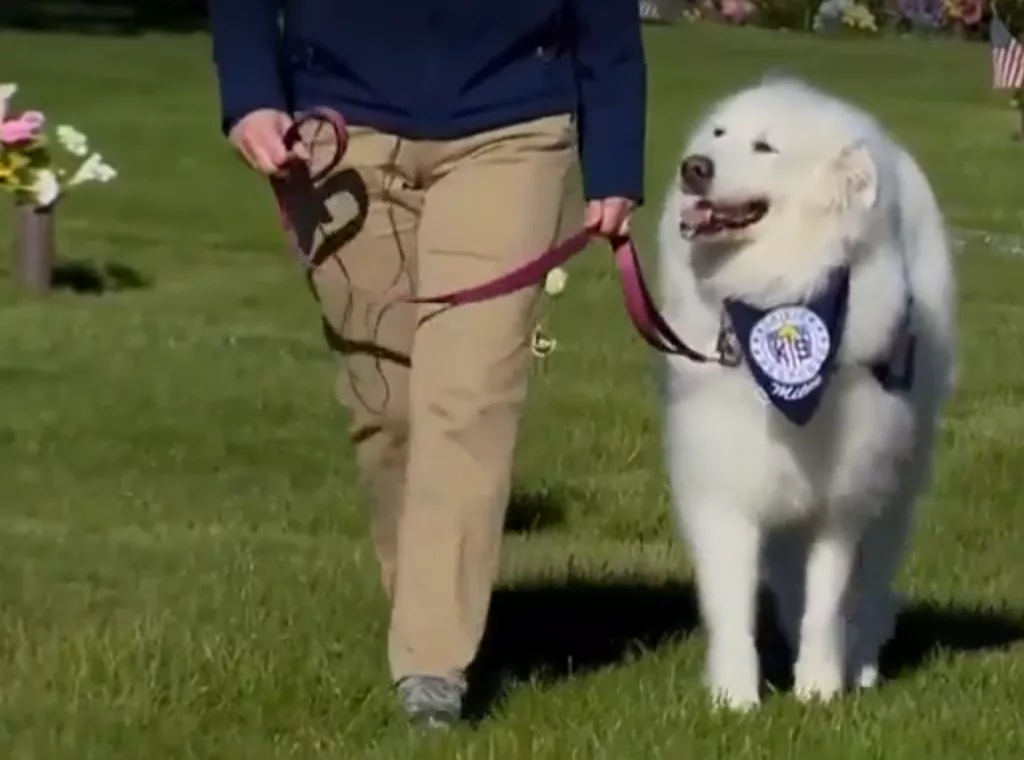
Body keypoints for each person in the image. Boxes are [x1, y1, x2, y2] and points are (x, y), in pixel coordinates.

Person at [207, 0, 646, 728]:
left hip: (511, 126)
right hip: (338, 126)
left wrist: (616, 155)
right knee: (387, 407)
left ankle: (431, 666)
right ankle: (426, 602)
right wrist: (253, 96)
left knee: (467, 397)